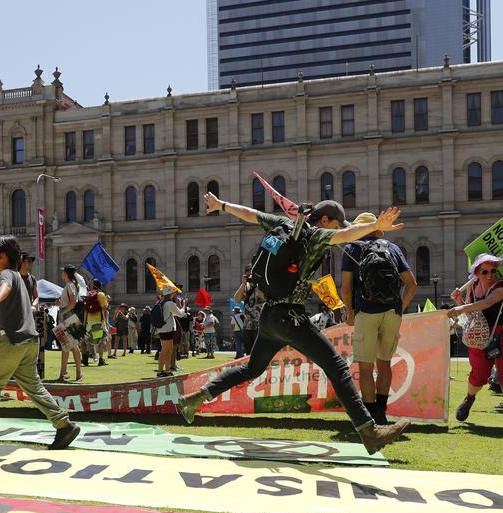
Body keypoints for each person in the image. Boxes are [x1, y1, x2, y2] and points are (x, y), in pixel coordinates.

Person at [178, 192, 410, 455]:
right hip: (291, 318)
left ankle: (196, 398)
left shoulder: (283, 227)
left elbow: (251, 215)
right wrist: (375, 226)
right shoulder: (315, 236)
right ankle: (370, 432)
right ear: (324, 220)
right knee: (337, 368)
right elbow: (346, 235)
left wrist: (221, 205)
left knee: (251, 369)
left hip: (270, 317)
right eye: (335, 224)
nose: (337, 231)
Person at [0, 235, 80, 450]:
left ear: (3, 257)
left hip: (12, 342)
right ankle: (64, 424)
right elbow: (18, 316)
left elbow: (3, 287)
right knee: (33, 386)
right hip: (28, 341)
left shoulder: (5, 275)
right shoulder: (20, 279)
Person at [340, 212, 417, 425]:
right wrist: (400, 307)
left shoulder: (352, 248)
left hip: (366, 311)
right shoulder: (392, 248)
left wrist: (349, 310)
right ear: (377, 228)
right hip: (392, 311)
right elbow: (411, 284)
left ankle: (370, 415)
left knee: (365, 367)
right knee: (385, 364)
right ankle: (382, 413)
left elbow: (346, 287)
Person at [448, 253, 503, 422]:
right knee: (479, 374)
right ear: (477, 273)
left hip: (500, 334)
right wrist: (460, 302)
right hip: (478, 337)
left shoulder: (500, 286)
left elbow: (488, 302)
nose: (490, 275)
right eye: (485, 272)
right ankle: (469, 399)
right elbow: (469, 317)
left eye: (493, 271)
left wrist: (462, 307)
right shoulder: (472, 288)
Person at [56, 266, 84, 382]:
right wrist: (60, 303)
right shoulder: (69, 285)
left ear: (66, 273)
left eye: (63, 272)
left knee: (70, 345)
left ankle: (76, 373)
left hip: (68, 316)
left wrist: (62, 312)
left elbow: (73, 303)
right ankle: (66, 373)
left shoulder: (70, 285)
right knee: (68, 346)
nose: (62, 274)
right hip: (68, 315)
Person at [155, 286, 186, 376]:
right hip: (167, 329)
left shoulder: (161, 302)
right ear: (170, 294)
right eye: (173, 293)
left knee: (168, 349)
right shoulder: (169, 303)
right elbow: (180, 314)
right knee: (165, 350)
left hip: (162, 329)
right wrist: (184, 305)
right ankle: (160, 371)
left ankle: (167, 370)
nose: (174, 294)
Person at [234, 271, 264, 355]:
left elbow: (265, 297)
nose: (251, 278)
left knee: (259, 351)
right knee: (249, 352)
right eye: (248, 277)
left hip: (259, 324)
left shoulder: (262, 286)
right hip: (247, 325)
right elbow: (236, 299)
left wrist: (257, 285)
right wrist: (243, 284)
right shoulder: (247, 288)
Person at [84, 278, 111, 365]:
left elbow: (86, 310)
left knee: (89, 340)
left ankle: (89, 356)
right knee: (102, 340)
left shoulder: (89, 295)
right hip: (99, 321)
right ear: (101, 286)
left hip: (89, 321)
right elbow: (104, 308)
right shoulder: (101, 294)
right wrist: (107, 301)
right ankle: (101, 359)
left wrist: (85, 321)